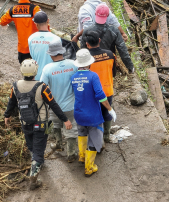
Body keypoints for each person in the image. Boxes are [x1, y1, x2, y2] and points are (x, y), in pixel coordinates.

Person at [4, 59, 73, 190]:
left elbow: (11, 103)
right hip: (41, 124)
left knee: (31, 145)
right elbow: (53, 104)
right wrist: (65, 119)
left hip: (25, 123)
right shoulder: (42, 87)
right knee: (40, 148)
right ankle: (34, 175)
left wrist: (7, 116)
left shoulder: (15, 86)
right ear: (35, 72)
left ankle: (37, 160)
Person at [71, 49, 116, 177]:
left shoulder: (73, 77)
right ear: (89, 63)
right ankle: (89, 167)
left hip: (78, 113)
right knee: (95, 140)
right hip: (92, 116)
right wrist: (109, 109)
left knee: (82, 133)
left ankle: (82, 156)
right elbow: (100, 95)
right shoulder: (93, 76)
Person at [40, 40, 79, 162]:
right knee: (71, 128)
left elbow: (42, 87)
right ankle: (71, 153)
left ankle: (58, 144)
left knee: (56, 124)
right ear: (62, 51)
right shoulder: (73, 64)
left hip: (55, 105)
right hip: (72, 105)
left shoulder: (47, 69)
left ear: (51, 54)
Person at [81, 4, 134, 73]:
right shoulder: (114, 31)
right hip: (109, 65)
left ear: (95, 13)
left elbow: (82, 50)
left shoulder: (87, 31)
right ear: (108, 15)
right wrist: (130, 67)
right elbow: (122, 50)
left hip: (92, 65)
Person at [84, 31, 116, 144]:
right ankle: (106, 135)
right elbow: (114, 73)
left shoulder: (85, 59)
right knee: (107, 112)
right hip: (107, 90)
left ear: (87, 44)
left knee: (94, 114)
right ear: (99, 41)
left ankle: (95, 138)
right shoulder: (110, 54)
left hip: (91, 92)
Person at [0, 0, 42, 64]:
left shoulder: (13, 10)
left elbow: (2, 21)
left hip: (22, 49)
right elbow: (45, 22)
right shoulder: (35, 9)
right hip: (37, 47)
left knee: (26, 72)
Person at [28, 11, 61, 80]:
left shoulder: (31, 38)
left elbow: (32, 56)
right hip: (52, 76)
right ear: (48, 21)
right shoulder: (56, 39)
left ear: (35, 24)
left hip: (36, 76)